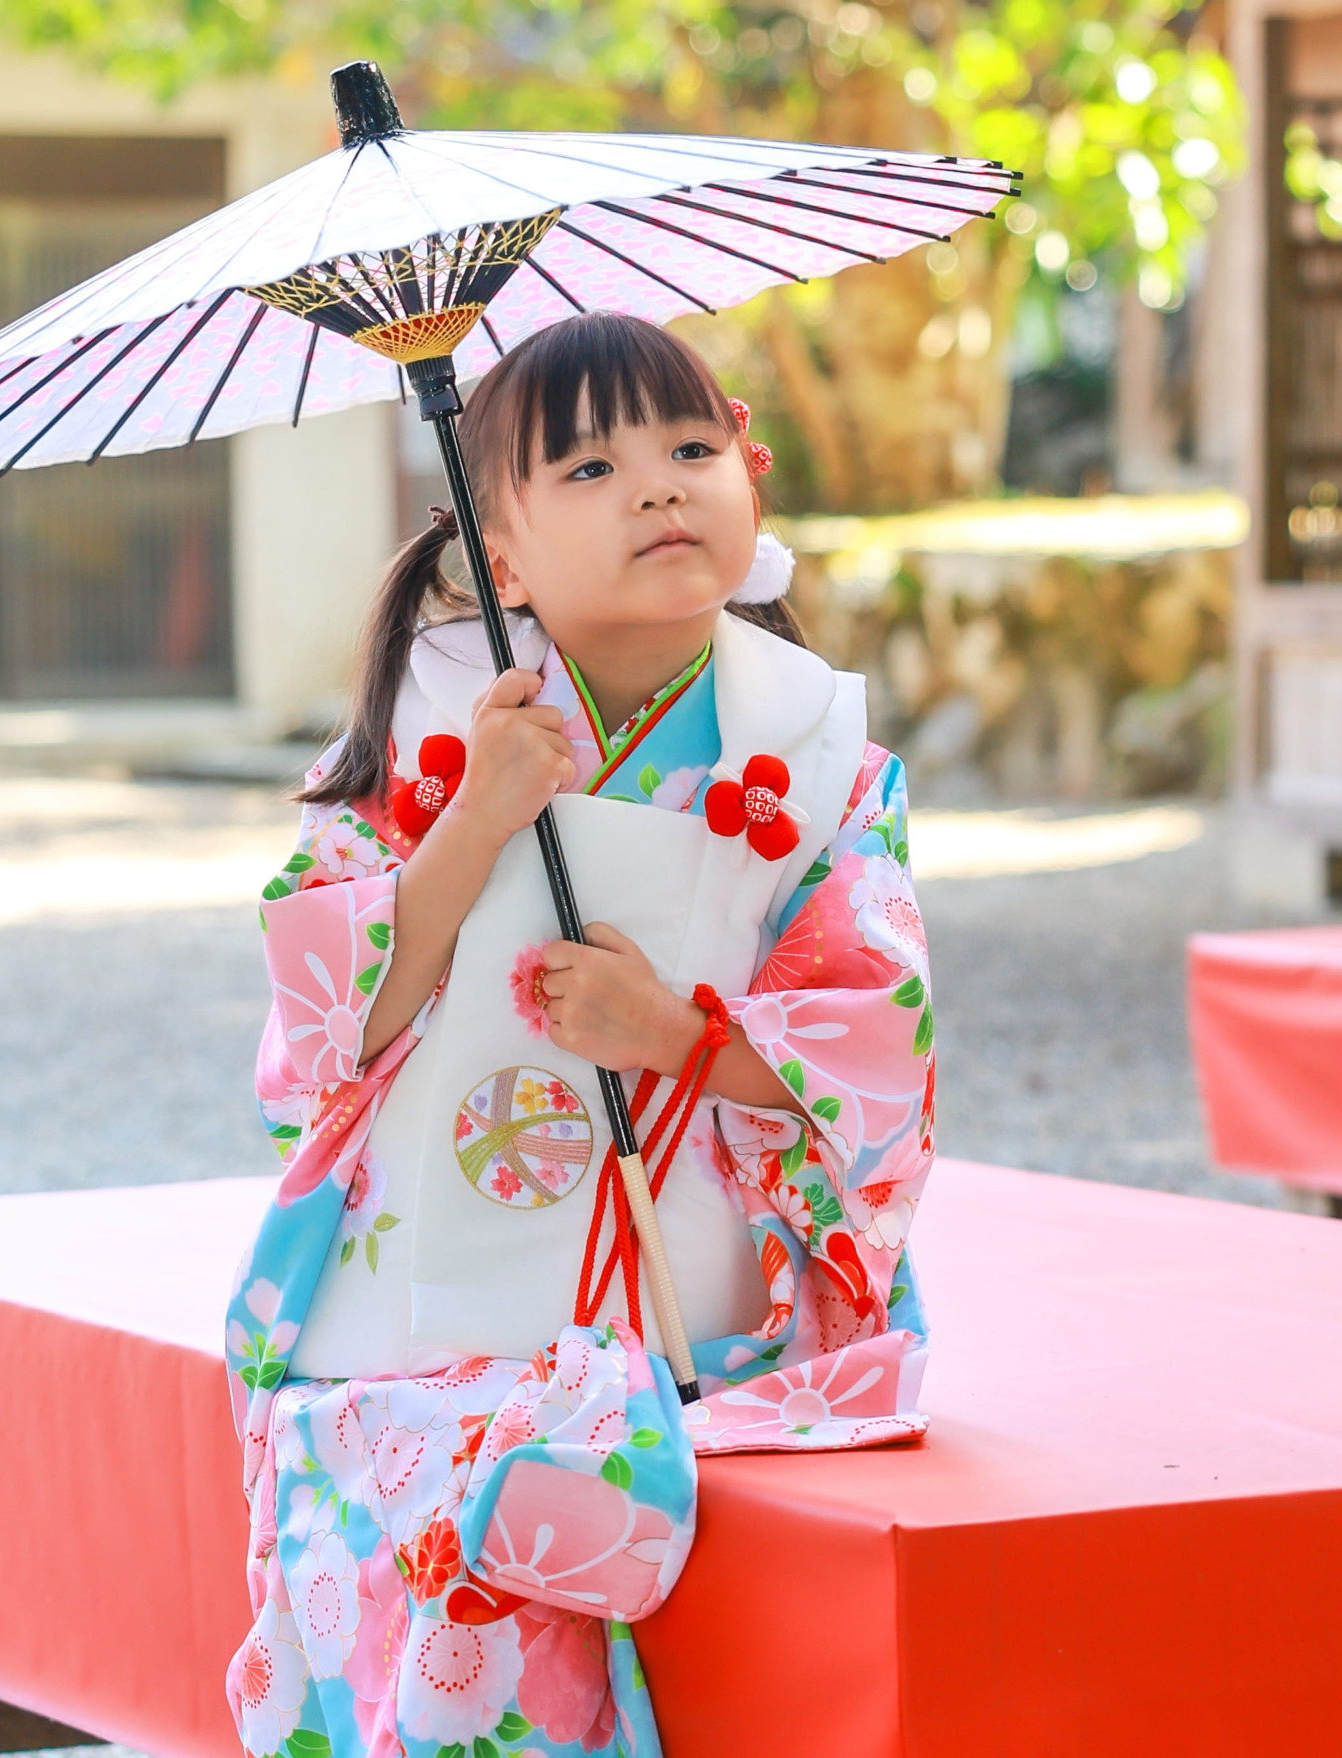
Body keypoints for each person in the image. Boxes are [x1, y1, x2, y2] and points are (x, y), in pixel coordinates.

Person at [223, 312, 936, 1758]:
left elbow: (877, 1046)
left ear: (753, 475)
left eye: (691, 448)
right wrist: (476, 817)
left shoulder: (821, 756)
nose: (663, 488)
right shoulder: (421, 744)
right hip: (428, 1292)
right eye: (595, 467)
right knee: (413, 1521)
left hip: (701, 1286)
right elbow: (322, 1035)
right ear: (500, 553)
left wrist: (671, 1030)